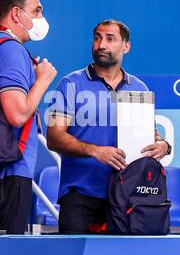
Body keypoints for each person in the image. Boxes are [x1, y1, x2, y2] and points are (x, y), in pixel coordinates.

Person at [46, 19, 172, 234]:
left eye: (110, 39)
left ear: (126, 46)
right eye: (97, 38)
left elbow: (150, 136)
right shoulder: (71, 83)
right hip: (81, 197)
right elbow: (54, 137)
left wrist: (163, 145)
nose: (101, 44)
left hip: (129, 197)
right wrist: (94, 151)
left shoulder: (139, 88)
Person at [0, 0, 57, 234]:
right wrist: (44, 78)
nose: (40, 18)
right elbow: (17, 114)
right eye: (36, 11)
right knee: (7, 253)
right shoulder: (12, 50)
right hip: (9, 174)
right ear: (15, 14)